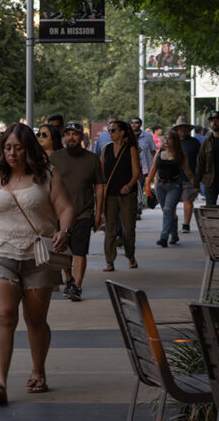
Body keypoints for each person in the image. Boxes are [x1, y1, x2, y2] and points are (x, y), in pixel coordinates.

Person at [0, 123, 75, 404]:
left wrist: (64, 230)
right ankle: (0, 381)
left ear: (29, 149)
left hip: (39, 257)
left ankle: (38, 371)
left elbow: (65, 207)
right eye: (7, 148)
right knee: (4, 317)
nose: (11, 153)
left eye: (18, 148)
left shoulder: (47, 175)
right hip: (0, 253)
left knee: (35, 321)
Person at [49, 121, 105, 301]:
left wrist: (98, 213)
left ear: (82, 136)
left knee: (80, 250)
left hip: (83, 212)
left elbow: (99, 186)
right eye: (68, 134)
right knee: (62, 249)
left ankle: (77, 286)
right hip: (59, 213)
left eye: (75, 134)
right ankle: (69, 279)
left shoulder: (92, 159)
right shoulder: (55, 158)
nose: (71, 137)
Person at [100, 120, 141, 271]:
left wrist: (129, 185)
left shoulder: (131, 149)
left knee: (128, 228)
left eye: (113, 130)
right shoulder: (106, 149)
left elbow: (136, 172)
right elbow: (101, 171)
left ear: (122, 132)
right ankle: (109, 261)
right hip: (110, 194)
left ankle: (131, 255)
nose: (110, 133)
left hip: (127, 194)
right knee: (109, 229)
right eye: (109, 130)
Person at [145, 129, 193, 247]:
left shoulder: (180, 155)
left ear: (175, 141)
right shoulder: (159, 152)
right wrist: (147, 185)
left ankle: (164, 237)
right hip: (160, 186)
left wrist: (195, 184)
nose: (166, 140)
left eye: (169, 138)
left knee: (167, 210)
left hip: (175, 185)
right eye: (165, 138)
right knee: (168, 212)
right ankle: (174, 234)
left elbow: (188, 171)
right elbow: (153, 169)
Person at [174, 116, 200, 233]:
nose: (182, 130)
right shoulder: (172, 142)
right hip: (173, 177)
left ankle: (186, 224)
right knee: (172, 202)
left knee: (187, 201)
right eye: (180, 128)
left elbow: (200, 160)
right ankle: (172, 222)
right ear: (177, 129)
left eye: (185, 128)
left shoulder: (194, 143)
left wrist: (198, 177)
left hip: (189, 177)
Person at [130, 116, 157, 218]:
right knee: (132, 189)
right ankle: (134, 208)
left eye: (136, 122)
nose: (134, 124)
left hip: (143, 167)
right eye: (132, 122)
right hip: (130, 167)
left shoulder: (147, 136)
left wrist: (155, 169)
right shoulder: (127, 136)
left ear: (140, 124)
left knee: (139, 189)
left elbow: (153, 152)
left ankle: (137, 210)